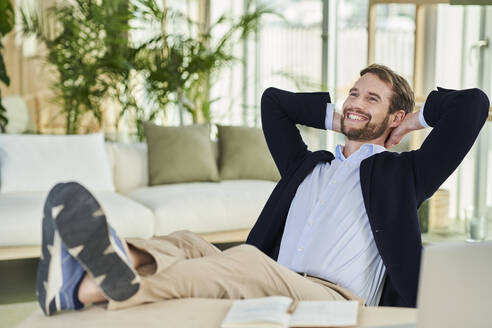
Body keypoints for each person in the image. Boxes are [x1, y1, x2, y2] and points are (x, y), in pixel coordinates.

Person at [36, 64, 489, 316]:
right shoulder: (308, 164)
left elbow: (474, 106)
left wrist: (413, 120)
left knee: (247, 261)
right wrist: (340, 116)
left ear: (393, 116)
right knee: (190, 241)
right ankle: (105, 260)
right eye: (353, 92)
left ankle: (87, 291)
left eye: (371, 99)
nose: (354, 101)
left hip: (333, 297)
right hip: (276, 276)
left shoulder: (405, 174)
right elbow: (273, 101)